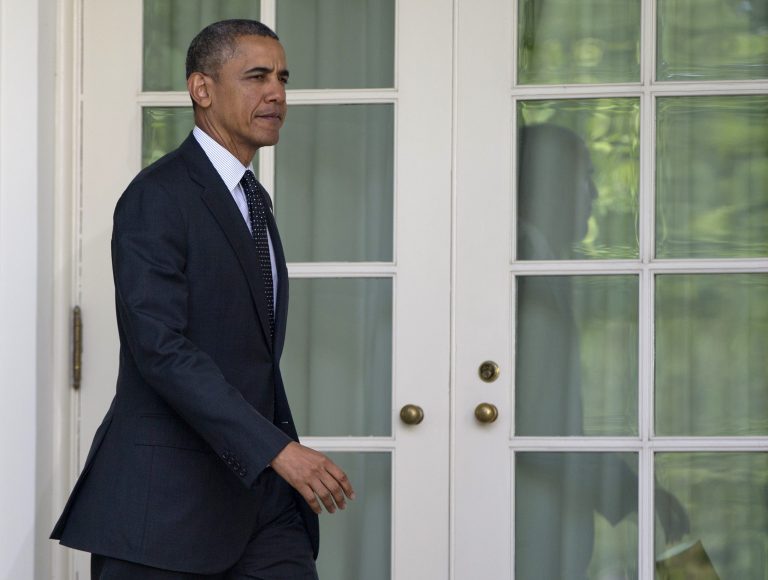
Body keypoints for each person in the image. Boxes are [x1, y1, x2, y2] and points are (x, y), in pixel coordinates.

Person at [51, 20, 354, 579]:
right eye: (257, 76)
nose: (277, 94)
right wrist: (278, 450)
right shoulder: (157, 197)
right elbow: (161, 348)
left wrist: (269, 455)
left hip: (259, 502)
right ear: (202, 89)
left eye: (283, 78)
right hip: (164, 511)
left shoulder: (250, 197)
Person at [514, 124, 689, 579]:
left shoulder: (541, 261)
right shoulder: (516, 266)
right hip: (519, 528)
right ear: (538, 181)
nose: (593, 191)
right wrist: (635, 492)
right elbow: (530, 425)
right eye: (582, 175)